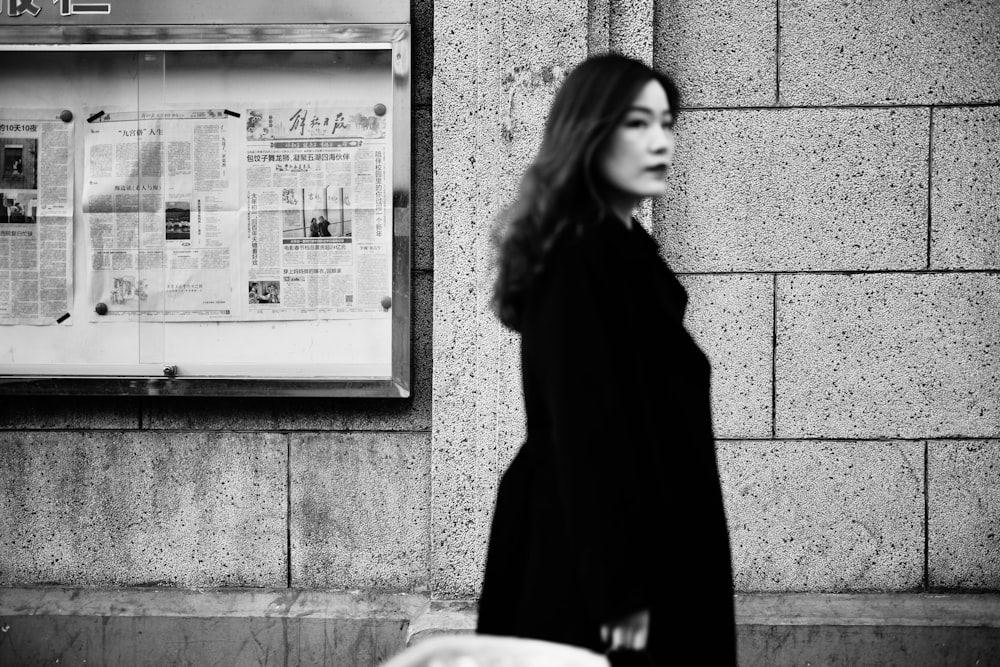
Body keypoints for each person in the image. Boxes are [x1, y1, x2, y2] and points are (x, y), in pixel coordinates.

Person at [476, 53, 737, 666]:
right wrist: (619, 590)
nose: (660, 141)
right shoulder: (578, 257)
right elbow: (587, 433)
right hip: (594, 565)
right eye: (636, 123)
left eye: (667, 123)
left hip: (637, 547)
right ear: (589, 133)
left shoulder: (620, 248)